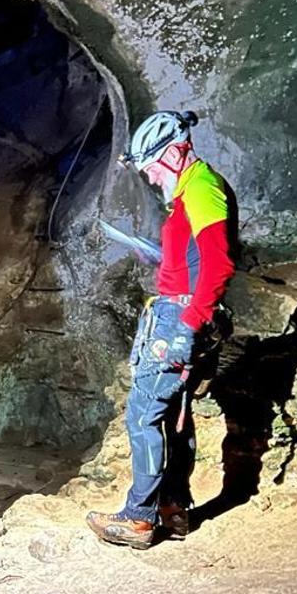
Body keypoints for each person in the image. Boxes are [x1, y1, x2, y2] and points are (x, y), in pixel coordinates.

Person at [86, 111, 237, 549]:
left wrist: (187, 327)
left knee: (144, 415)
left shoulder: (203, 188)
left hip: (180, 318)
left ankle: (138, 519)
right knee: (176, 417)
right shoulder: (190, 193)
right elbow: (193, 258)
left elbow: (219, 261)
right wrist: (160, 260)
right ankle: (174, 509)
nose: (151, 178)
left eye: (152, 166)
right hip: (184, 311)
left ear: (174, 152)